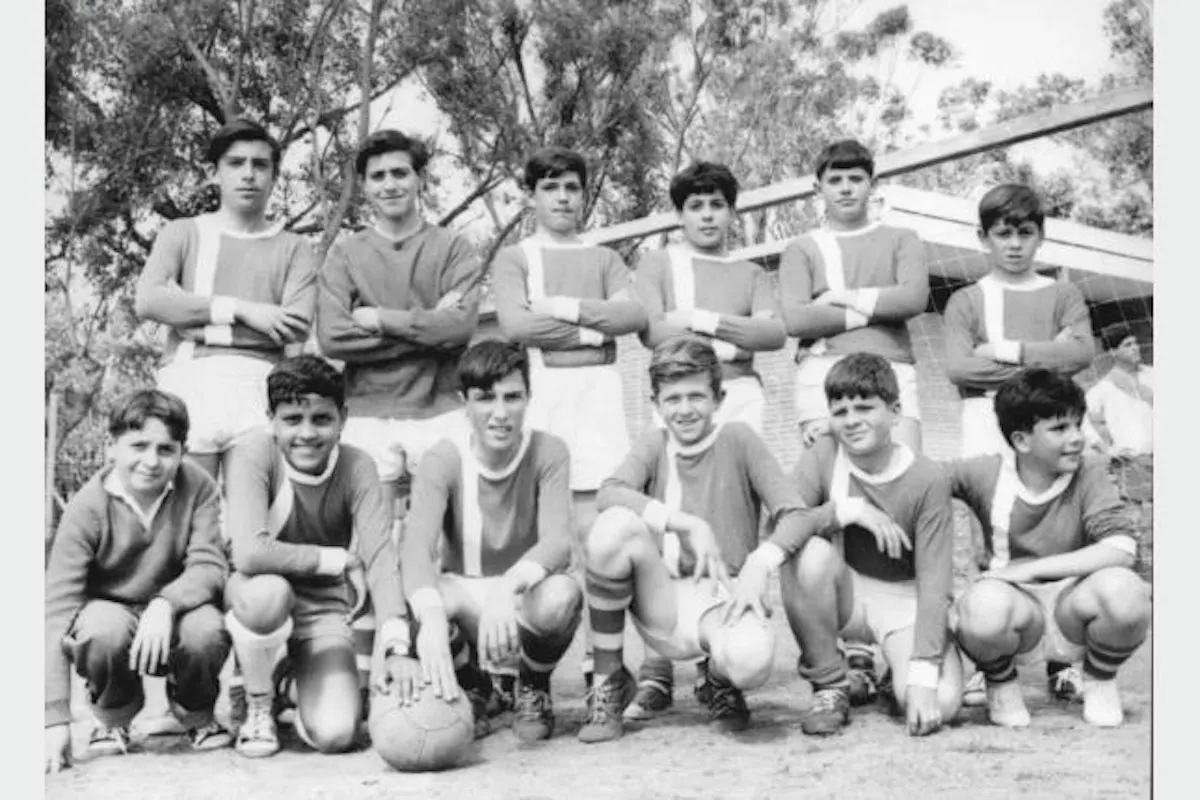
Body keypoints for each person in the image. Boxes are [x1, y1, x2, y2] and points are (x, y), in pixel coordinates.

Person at [579, 335, 819, 744]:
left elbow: (796, 514)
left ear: (719, 398)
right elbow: (609, 492)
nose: (685, 410)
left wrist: (760, 564)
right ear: (656, 404)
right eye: (672, 399)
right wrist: (685, 523)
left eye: (696, 396)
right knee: (611, 527)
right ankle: (607, 684)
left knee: (750, 659)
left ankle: (720, 680)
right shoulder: (654, 443)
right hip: (663, 600)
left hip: (721, 596)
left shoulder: (739, 440)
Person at [628, 160, 787, 720]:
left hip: (740, 396)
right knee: (664, 515)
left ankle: (716, 668)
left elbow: (771, 333)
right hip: (681, 395)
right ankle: (656, 668)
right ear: (679, 214)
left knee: (730, 514)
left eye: (717, 204)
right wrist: (731, 334)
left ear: (732, 211)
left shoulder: (751, 274)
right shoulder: (658, 262)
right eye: (695, 205)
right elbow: (653, 330)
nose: (707, 215)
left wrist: (697, 320)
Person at [492, 146, 649, 685]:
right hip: (545, 397)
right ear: (531, 196)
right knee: (541, 533)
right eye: (550, 187)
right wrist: (594, 334)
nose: (562, 197)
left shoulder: (603, 257)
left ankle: (599, 661)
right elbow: (515, 327)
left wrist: (561, 311)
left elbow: (631, 315)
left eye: (572, 188)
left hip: (599, 399)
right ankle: (518, 668)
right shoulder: (516, 257)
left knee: (595, 532)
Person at [221, 355, 420, 758]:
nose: (307, 433)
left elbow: (380, 555)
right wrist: (340, 560)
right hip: (259, 596)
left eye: (321, 419)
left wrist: (398, 648)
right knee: (268, 594)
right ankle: (257, 699)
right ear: (271, 419)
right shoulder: (253, 454)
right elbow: (250, 553)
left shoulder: (357, 465)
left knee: (337, 733)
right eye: (292, 419)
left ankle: (283, 680)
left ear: (343, 418)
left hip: (321, 608)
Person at [400, 341, 583, 742]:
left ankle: (532, 687)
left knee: (562, 594)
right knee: (418, 598)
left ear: (528, 398)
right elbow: (415, 549)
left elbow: (558, 543)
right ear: (464, 402)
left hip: (519, 597)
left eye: (512, 397)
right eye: (485, 399)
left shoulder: (548, 450)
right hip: (466, 594)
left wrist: (508, 585)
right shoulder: (443, 459)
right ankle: (475, 684)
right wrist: (430, 617)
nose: (500, 413)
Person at [948, 369, 1150, 728]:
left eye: (1077, 425)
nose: (1076, 438)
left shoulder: (1091, 470)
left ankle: (1100, 679)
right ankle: (1001, 682)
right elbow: (915, 477)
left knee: (1126, 590)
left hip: (1074, 607)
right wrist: (837, 441)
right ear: (1022, 441)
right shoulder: (984, 473)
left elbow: (1120, 548)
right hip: (1016, 609)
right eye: (1060, 429)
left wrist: (1030, 568)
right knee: (980, 604)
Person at [45, 390, 232, 773]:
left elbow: (210, 565)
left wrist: (165, 603)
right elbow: (57, 610)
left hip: (178, 610)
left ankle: (194, 711)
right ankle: (113, 717)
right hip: (114, 610)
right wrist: (54, 720)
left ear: (182, 451)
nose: (151, 461)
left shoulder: (198, 487)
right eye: (138, 446)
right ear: (111, 448)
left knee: (207, 629)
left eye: (166, 449)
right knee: (100, 630)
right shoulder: (87, 507)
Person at [780, 353, 961, 738]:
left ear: (896, 412)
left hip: (901, 598)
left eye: (864, 407)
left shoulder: (927, 477)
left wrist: (924, 677)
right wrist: (848, 510)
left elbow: (934, 584)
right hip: (848, 592)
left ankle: (900, 670)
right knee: (807, 555)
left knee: (937, 705)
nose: (852, 420)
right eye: (840, 410)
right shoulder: (824, 454)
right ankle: (830, 685)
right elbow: (783, 525)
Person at [135, 118, 318, 481]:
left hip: (260, 385)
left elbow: (294, 327)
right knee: (184, 518)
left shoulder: (295, 248)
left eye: (260, 164)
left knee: (250, 522)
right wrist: (245, 310)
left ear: (274, 176)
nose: (248, 174)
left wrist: (190, 318)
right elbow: (149, 301)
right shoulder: (183, 233)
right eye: (236, 163)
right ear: (214, 173)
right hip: (188, 380)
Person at [316, 129, 482, 517]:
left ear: (419, 178)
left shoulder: (452, 247)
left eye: (400, 173)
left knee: (450, 532)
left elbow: (460, 330)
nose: (390, 185)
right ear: (363, 185)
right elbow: (333, 338)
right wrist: (431, 330)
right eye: (378, 176)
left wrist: (380, 319)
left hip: (441, 407)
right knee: (375, 535)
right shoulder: (345, 254)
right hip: (366, 409)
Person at [778, 139, 929, 452]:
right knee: (831, 482)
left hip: (893, 365)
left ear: (872, 185)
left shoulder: (903, 239)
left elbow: (913, 299)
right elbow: (796, 319)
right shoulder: (802, 248)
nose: (845, 189)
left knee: (905, 473)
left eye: (856, 179)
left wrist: (839, 297)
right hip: (823, 368)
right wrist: (882, 308)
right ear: (817, 188)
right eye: (834, 180)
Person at [943, 183, 1095, 458]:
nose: (1015, 244)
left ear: (1041, 236)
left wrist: (1003, 351)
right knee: (991, 497)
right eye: (1003, 234)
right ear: (983, 236)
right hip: (985, 418)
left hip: (1049, 420)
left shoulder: (1064, 294)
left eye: (1025, 233)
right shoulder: (966, 300)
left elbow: (1082, 353)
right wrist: (1050, 362)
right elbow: (959, 369)